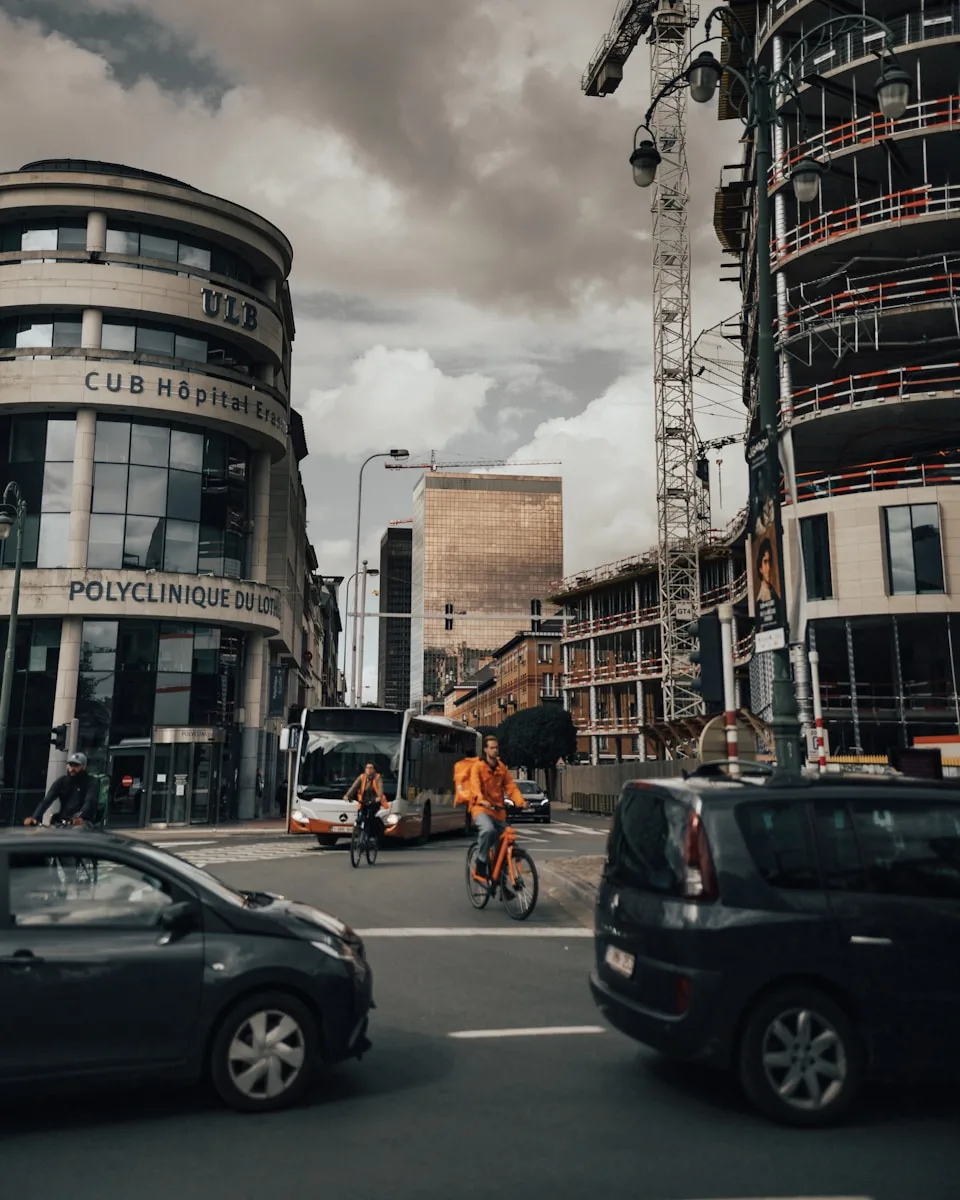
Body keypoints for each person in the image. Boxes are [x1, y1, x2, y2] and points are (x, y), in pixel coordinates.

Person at [464, 736, 526, 879]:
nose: (494, 750)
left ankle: (502, 882)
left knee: (507, 842)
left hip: (498, 811)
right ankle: (481, 861)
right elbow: (475, 787)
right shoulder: (478, 767)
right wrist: (481, 800)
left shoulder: (501, 768)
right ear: (485, 750)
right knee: (488, 830)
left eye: (496, 747)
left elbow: (511, 787)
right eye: (491, 748)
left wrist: (520, 801)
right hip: (480, 808)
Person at [24, 752, 98, 827]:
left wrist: (80, 817)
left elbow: (89, 802)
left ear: (84, 767)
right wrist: (35, 817)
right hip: (62, 822)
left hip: (82, 821)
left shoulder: (91, 782)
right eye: (71, 765)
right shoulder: (62, 781)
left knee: (78, 830)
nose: (72, 768)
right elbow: (46, 801)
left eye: (76, 765)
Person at [344, 762, 387, 838]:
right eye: (367, 768)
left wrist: (379, 797)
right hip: (363, 801)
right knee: (360, 816)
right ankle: (359, 831)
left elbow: (380, 788)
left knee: (370, 816)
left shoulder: (378, 777)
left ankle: (372, 834)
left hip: (374, 801)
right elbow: (354, 787)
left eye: (371, 768)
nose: (369, 770)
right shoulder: (362, 777)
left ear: (374, 770)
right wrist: (347, 795)